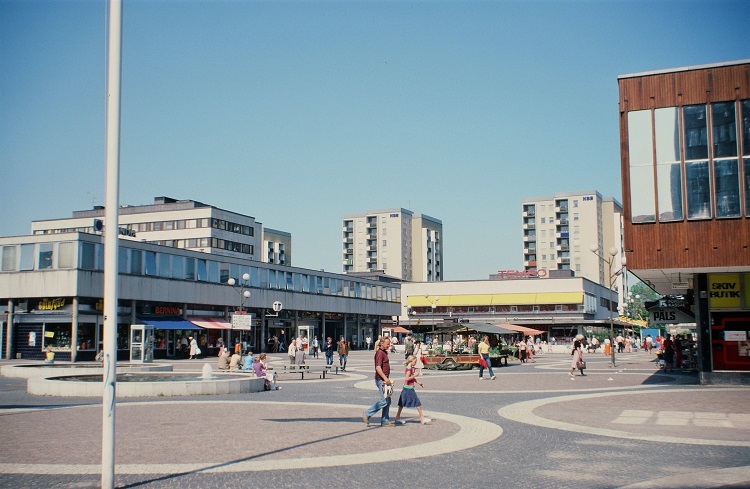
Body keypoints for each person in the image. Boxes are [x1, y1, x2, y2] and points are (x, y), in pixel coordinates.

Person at [363, 336, 394, 427]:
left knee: (387, 400)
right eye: (387, 344)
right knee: (384, 401)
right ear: (382, 343)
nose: (389, 345)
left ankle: (385, 420)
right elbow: (378, 368)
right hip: (381, 380)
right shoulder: (380, 353)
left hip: (384, 380)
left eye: (389, 344)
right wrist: (385, 379)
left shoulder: (384, 352)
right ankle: (367, 413)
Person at [394, 355, 431, 425]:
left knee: (402, 403)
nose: (415, 363)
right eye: (415, 361)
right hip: (409, 388)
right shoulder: (409, 368)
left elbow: (411, 378)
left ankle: (397, 417)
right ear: (411, 361)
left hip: (406, 387)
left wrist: (419, 382)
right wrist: (414, 375)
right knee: (417, 403)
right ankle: (422, 418)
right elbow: (407, 378)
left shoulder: (410, 368)